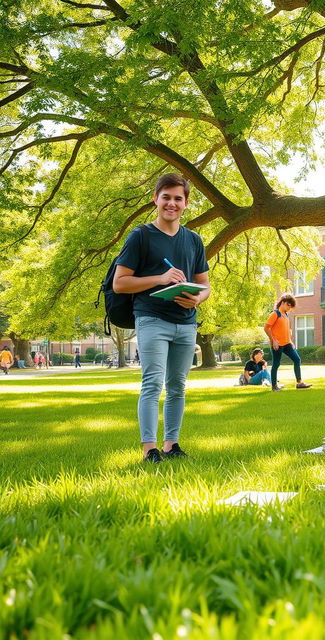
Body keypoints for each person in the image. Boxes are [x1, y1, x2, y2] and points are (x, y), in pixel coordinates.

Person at [113, 173, 211, 464]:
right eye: (165, 197)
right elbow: (120, 283)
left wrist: (198, 298)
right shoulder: (141, 236)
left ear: (186, 203)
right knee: (153, 383)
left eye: (177, 198)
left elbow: (205, 285)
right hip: (152, 318)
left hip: (186, 321)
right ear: (155, 199)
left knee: (178, 385)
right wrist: (161, 278)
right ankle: (149, 449)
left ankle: (172, 444)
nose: (171, 203)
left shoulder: (193, 240)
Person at [263, 293, 312, 391]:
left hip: (287, 343)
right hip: (277, 344)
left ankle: (299, 383)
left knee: (297, 359)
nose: (290, 308)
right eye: (289, 305)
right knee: (276, 364)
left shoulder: (286, 314)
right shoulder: (275, 314)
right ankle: (274, 386)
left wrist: (290, 341)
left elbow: (286, 329)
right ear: (283, 302)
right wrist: (273, 340)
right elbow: (266, 328)